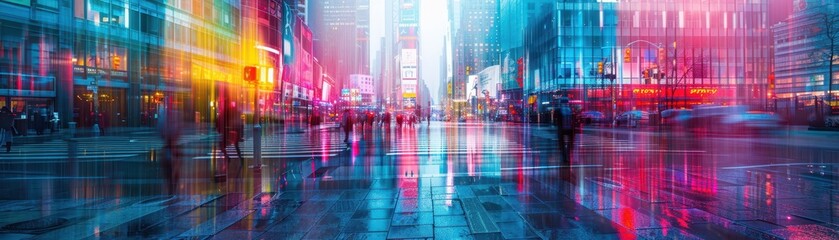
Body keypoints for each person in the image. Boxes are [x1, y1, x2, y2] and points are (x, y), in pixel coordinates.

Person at [556, 97, 575, 162]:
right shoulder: (570, 110)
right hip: (569, 129)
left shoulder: (559, 110)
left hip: (562, 129)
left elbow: (557, 119)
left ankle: (564, 157)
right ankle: (568, 155)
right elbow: (573, 120)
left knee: (561, 143)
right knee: (570, 143)